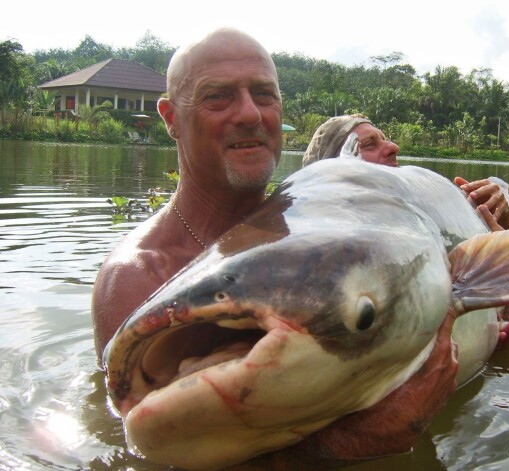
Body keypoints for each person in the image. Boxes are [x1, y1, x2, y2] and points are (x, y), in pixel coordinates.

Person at [92, 28, 458, 465]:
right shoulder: (136, 279)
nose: (249, 114)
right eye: (219, 97)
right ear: (170, 118)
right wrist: (356, 441)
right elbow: (149, 452)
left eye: (264, 95)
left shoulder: (340, 230)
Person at [302, 114, 509, 321]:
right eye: (369, 144)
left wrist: (506, 220)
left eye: (385, 139)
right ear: (332, 172)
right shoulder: (329, 259)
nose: (393, 147)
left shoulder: (424, 219)